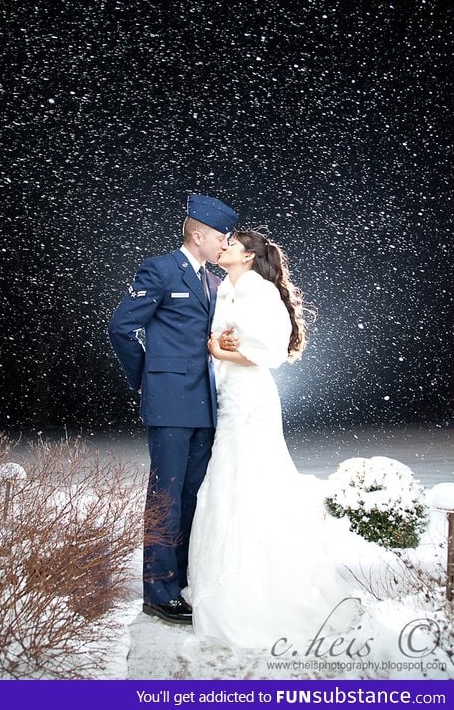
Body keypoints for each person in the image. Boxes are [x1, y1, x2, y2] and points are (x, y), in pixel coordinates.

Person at [187, 229, 361, 650]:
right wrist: (217, 343)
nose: (222, 246)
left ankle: (259, 596)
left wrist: (220, 351)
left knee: (251, 481)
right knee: (227, 481)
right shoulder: (226, 290)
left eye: (230, 243)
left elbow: (271, 351)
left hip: (249, 398)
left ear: (247, 257)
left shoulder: (260, 292)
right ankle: (225, 580)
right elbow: (223, 338)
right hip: (226, 396)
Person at [108, 194, 238, 624]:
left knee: (190, 495)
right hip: (169, 403)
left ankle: (181, 579)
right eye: (222, 236)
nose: (226, 243)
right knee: (165, 496)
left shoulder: (215, 283)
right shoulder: (161, 269)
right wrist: (147, 377)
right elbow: (123, 327)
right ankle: (158, 590)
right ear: (198, 234)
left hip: (205, 407)